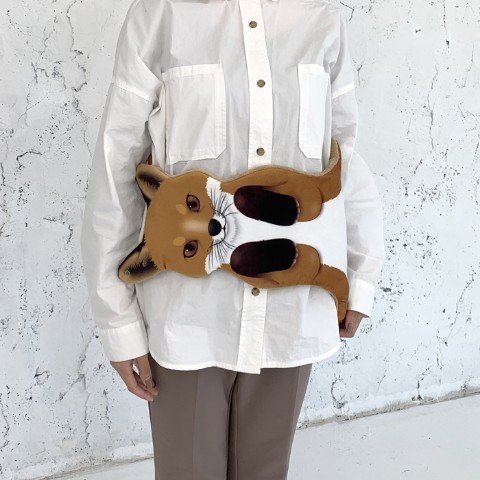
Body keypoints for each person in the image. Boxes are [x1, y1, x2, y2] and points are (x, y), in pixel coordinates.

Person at [80, 0, 385, 478]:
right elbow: (116, 171)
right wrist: (117, 321)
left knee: (266, 470)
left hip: (291, 310)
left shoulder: (321, 18)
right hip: (188, 319)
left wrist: (360, 279)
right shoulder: (160, 16)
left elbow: (346, 161)